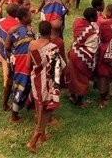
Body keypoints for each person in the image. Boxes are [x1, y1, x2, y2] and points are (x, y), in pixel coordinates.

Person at [26, 20, 66, 153]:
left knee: (39, 107)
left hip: (35, 80)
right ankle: (33, 142)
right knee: (46, 112)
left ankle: (43, 136)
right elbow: (57, 69)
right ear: (50, 32)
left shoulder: (31, 44)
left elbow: (28, 65)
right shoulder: (53, 48)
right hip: (47, 84)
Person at [4, 6, 35, 122]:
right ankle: (14, 116)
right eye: (29, 16)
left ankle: (27, 105)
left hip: (19, 63)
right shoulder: (27, 31)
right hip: (24, 64)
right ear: (24, 18)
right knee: (21, 88)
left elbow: (7, 47)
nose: (31, 17)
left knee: (23, 86)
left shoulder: (13, 30)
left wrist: (12, 58)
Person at [67, 7, 99, 107]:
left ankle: (72, 96)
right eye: (96, 15)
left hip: (73, 52)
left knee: (73, 76)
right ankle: (79, 102)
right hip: (82, 58)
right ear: (91, 18)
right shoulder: (92, 33)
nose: (97, 16)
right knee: (82, 79)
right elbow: (93, 47)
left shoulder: (78, 22)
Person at [96, 4, 112, 108]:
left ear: (110, 12)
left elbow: (100, 36)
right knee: (111, 72)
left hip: (105, 50)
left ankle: (102, 99)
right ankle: (108, 93)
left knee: (103, 73)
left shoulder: (104, 24)